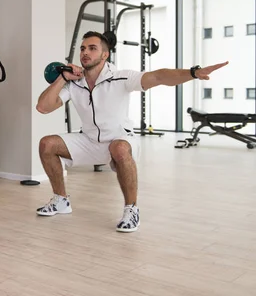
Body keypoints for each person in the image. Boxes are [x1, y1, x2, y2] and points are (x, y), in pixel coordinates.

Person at [35, 31, 228, 232]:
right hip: (89, 140)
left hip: (120, 139)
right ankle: (61, 201)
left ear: (105, 55)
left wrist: (193, 72)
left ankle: (131, 209)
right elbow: (43, 107)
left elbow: (159, 76)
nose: (85, 53)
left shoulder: (121, 77)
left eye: (92, 48)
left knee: (118, 147)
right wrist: (62, 78)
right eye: (83, 49)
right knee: (47, 144)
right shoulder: (75, 83)